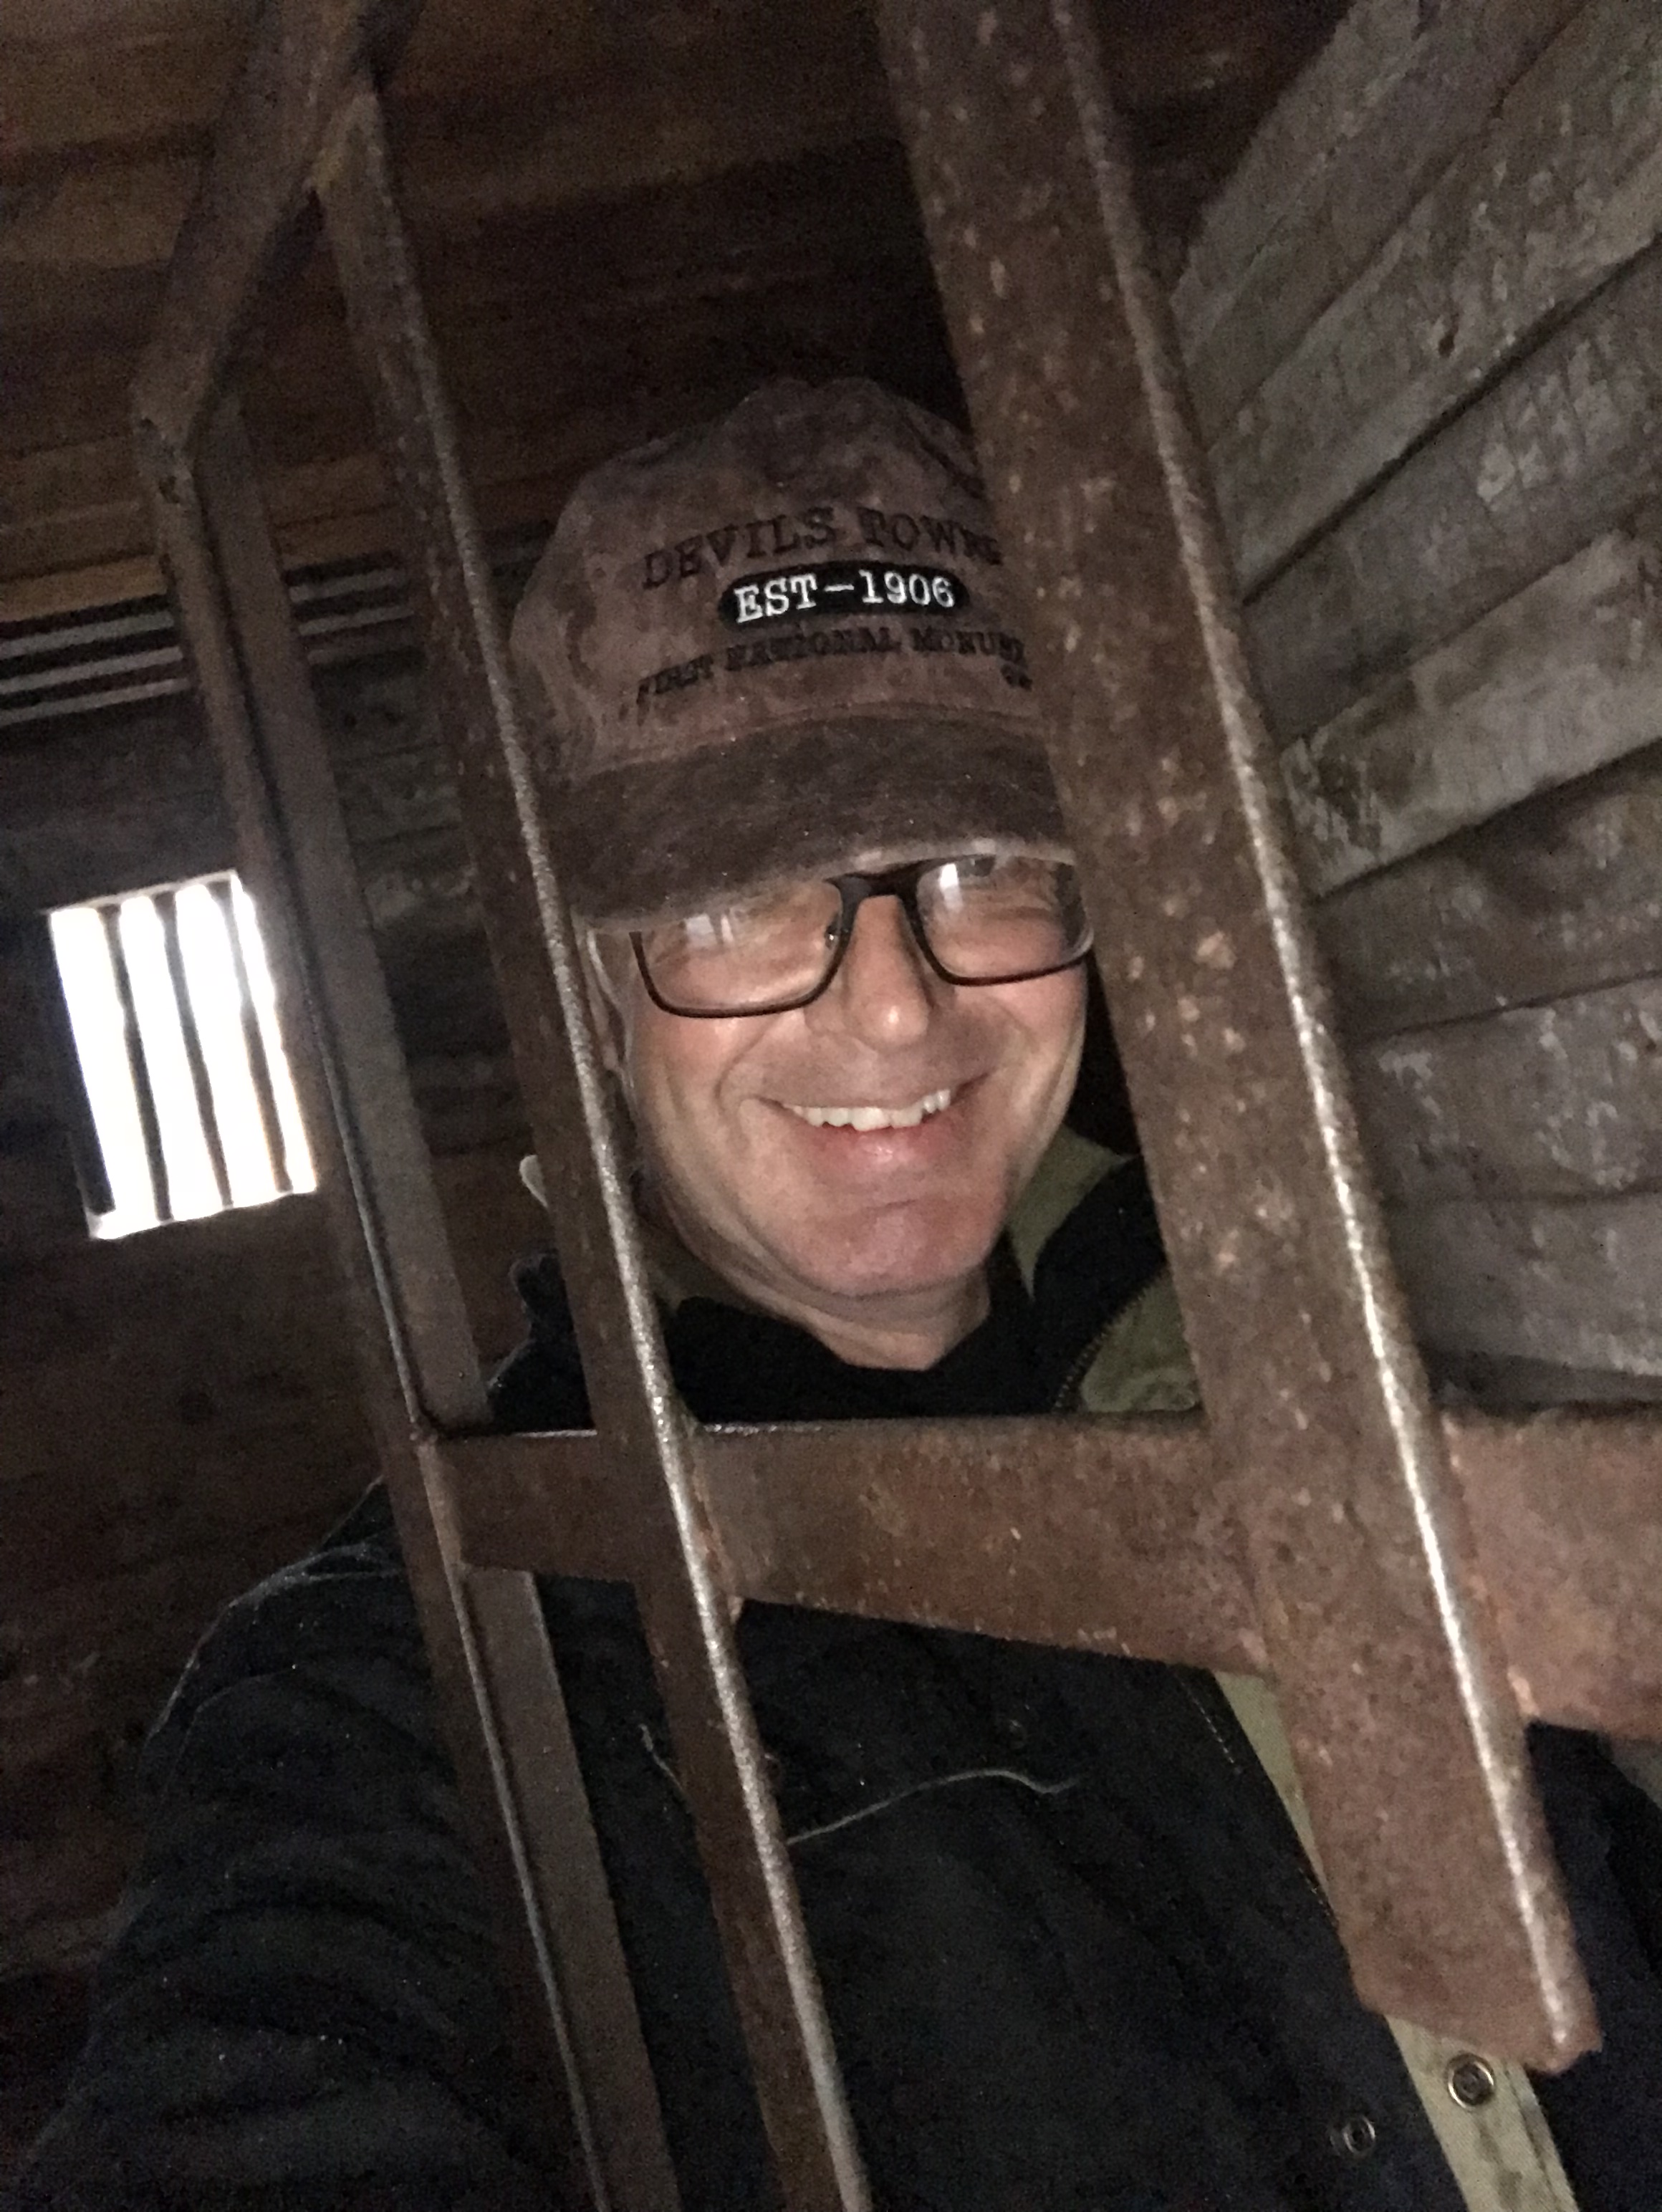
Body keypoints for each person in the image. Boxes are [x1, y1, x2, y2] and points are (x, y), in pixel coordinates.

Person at [10, 381, 1662, 2212]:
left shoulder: (1328, 1356)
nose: (891, 1002)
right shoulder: (431, 1680)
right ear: (584, 989)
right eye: (738, 897)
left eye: (980, 868)